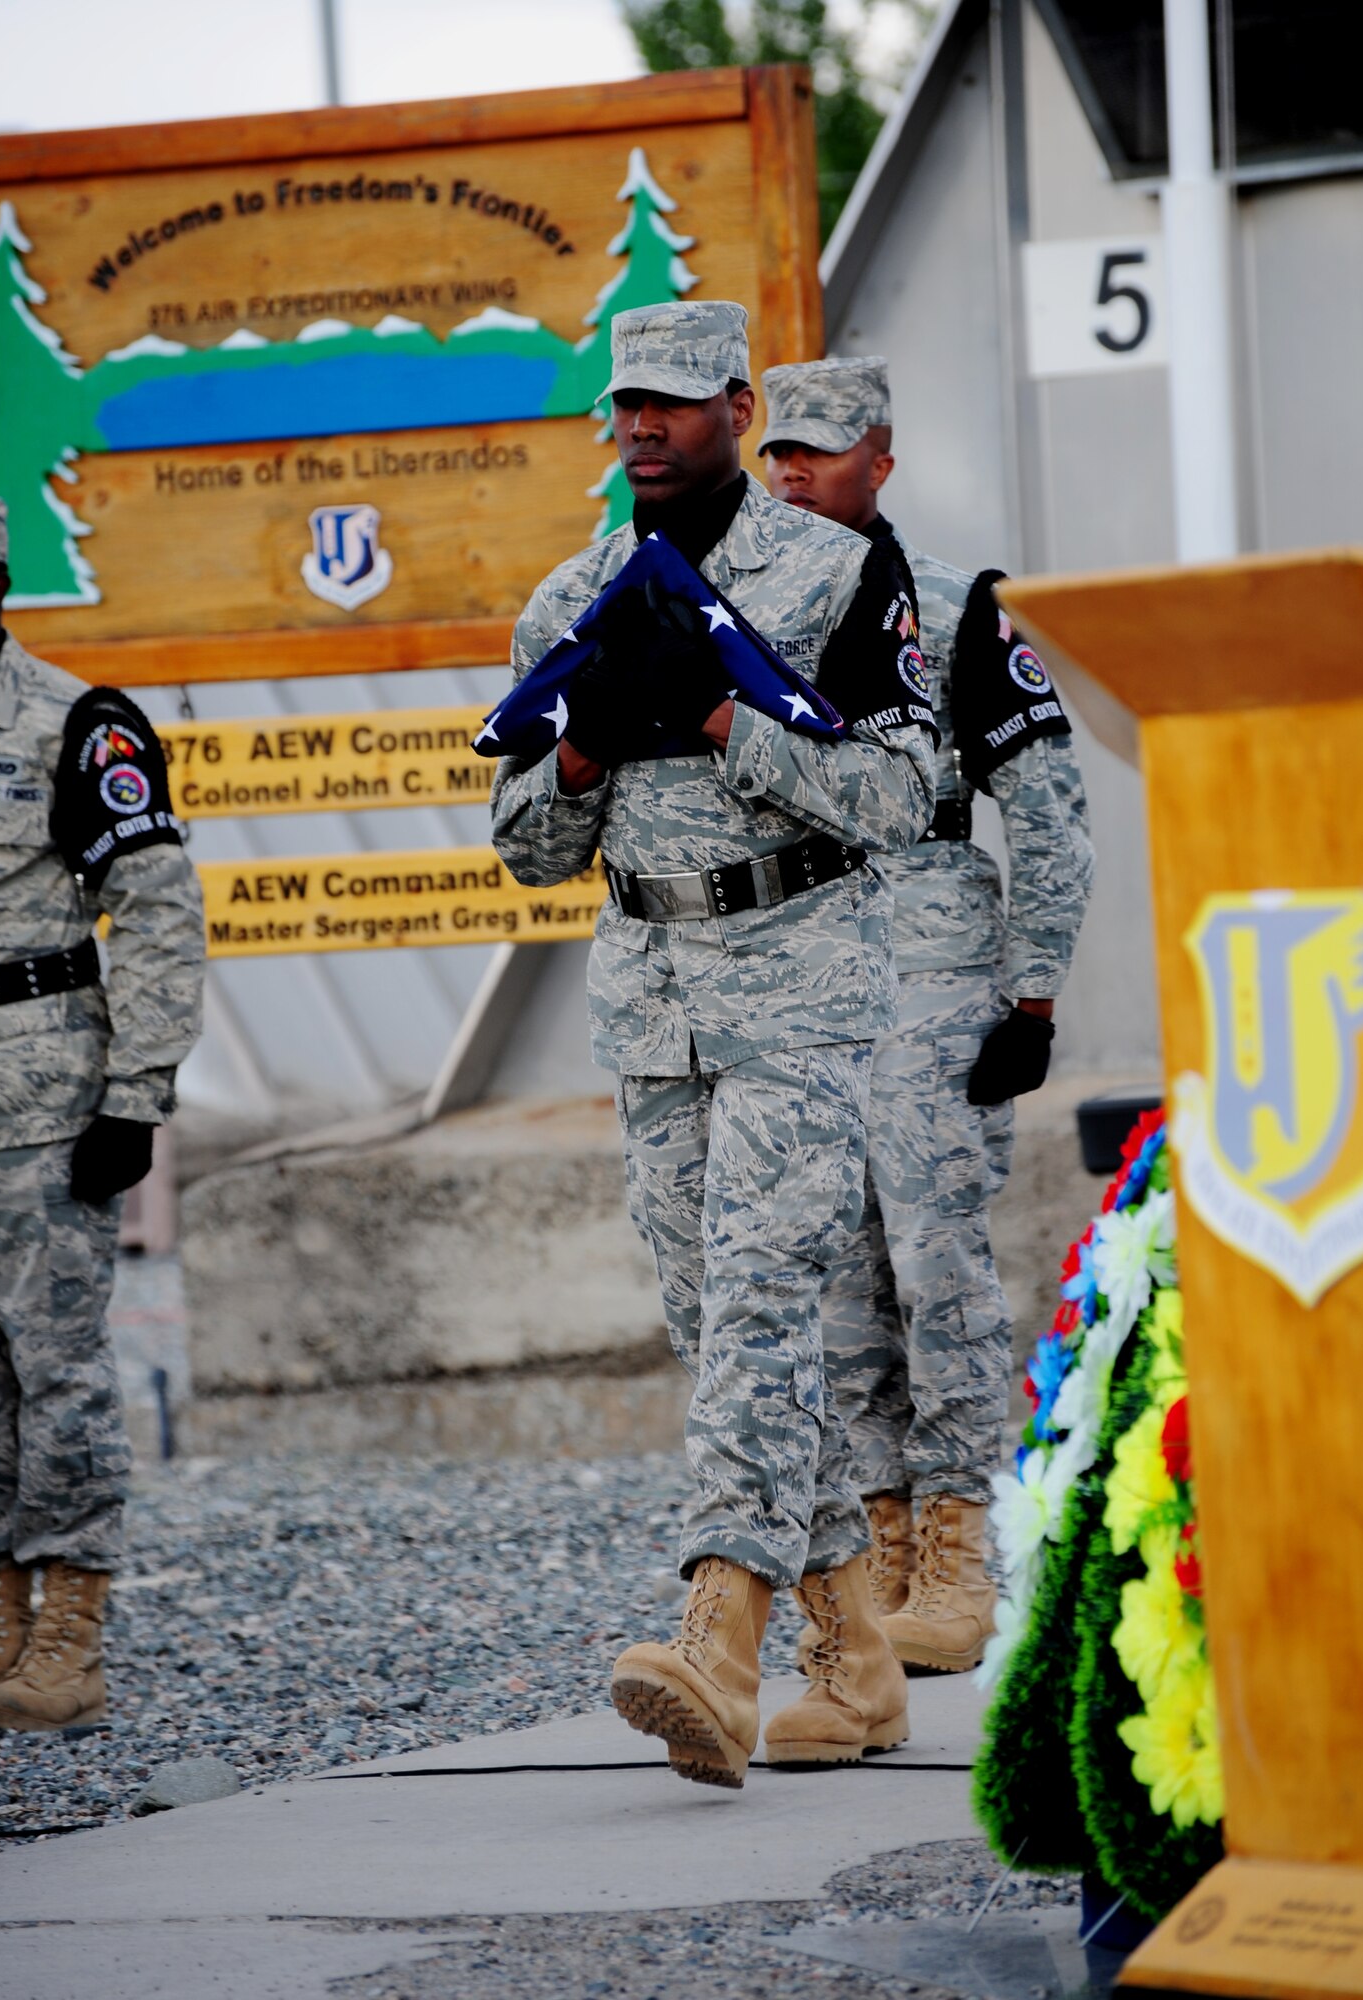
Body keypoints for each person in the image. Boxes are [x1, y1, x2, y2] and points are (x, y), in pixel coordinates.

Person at [491, 301, 941, 1788]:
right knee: (721, 1339)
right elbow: (527, 851)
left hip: (801, 981)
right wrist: (581, 746)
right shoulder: (571, 597)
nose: (643, 426)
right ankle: (859, 1662)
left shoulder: (834, 578)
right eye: (626, 402)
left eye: (675, 404)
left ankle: (714, 1641)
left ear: (737, 408)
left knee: (757, 1303)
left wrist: (717, 711)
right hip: (651, 996)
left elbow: (898, 800)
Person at [760, 356, 1094, 1675]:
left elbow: (1051, 810)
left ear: (879, 460)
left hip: (930, 959)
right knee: (833, 1275)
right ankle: (879, 1544)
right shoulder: (741, 609)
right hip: (788, 970)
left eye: (819, 449)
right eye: (775, 449)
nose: (790, 469)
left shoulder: (955, 611)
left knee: (933, 1260)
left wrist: (1032, 988)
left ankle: (958, 1547)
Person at [0, 494, 205, 1731]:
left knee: (52, 1369)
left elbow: (161, 911)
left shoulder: (76, 725)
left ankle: (69, 1629)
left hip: (37, 1097)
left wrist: (138, 1092)